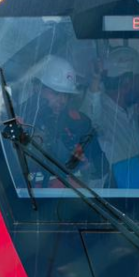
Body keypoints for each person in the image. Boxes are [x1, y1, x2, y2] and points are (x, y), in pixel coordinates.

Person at [14, 55, 107, 186]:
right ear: (38, 87)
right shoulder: (19, 120)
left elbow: (101, 169)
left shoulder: (80, 123)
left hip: (76, 197)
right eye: (56, 93)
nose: (62, 100)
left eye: (66, 95)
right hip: (28, 196)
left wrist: (83, 163)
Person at [81, 46, 139, 165]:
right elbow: (89, 119)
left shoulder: (132, 113)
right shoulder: (102, 112)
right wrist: (95, 80)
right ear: (126, 81)